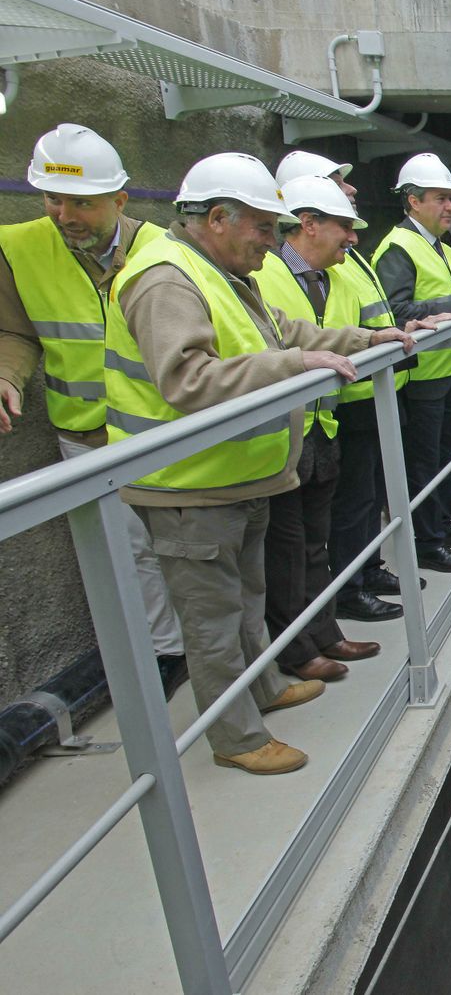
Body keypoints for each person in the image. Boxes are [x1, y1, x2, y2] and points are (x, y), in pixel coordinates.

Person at [105, 152, 414, 775]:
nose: (273, 244)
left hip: (236, 476)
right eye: (265, 228)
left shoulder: (215, 270)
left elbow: (286, 332)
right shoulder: (166, 280)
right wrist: (293, 368)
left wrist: (365, 339)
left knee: (247, 597)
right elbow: (187, 379)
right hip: (188, 486)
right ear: (218, 217)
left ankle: (264, 686)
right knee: (213, 619)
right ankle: (238, 738)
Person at [0, 124, 185, 665]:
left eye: (81, 202)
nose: (64, 215)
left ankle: (198, 651)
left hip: (161, 431)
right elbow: (15, 331)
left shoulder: (163, 248)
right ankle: (165, 658)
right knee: (126, 554)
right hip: (84, 434)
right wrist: (8, 376)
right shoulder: (18, 248)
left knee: (183, 548)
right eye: (53, 199)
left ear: (119, 200)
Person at [254, 175, 383, 681]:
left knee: (314, 541)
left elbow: (312, 332)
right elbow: (275, 343)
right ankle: (296, 651)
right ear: (308, 224)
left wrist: (374, 335)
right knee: (286, 548)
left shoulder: (326, 276)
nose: (352, 237)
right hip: (282, 437)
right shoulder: (263, 273)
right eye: (344, 226)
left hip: (321, 426)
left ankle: (326, 632)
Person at [373, 153, 451, 571]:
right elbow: (394, 310)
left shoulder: (436, 246)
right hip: (420, 377)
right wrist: (449, 302)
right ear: (413, 201)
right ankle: (428, 542)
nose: (449, 207)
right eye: (440, 198)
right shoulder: (399, 247)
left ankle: (441, 523)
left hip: (446, 371)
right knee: (423, 462)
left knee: (443, 453)